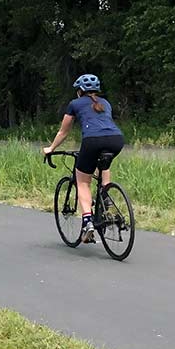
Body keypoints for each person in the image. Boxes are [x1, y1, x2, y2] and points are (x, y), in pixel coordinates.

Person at [43, 74, 125, 243]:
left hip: (92, 140)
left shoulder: (75, 104)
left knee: (82, 181)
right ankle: (106, 196)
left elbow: (63, 132)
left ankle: (87, 222)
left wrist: (50, 149)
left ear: (80, 91)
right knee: (103, 164)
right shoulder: (106, 103)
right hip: (116, 139)